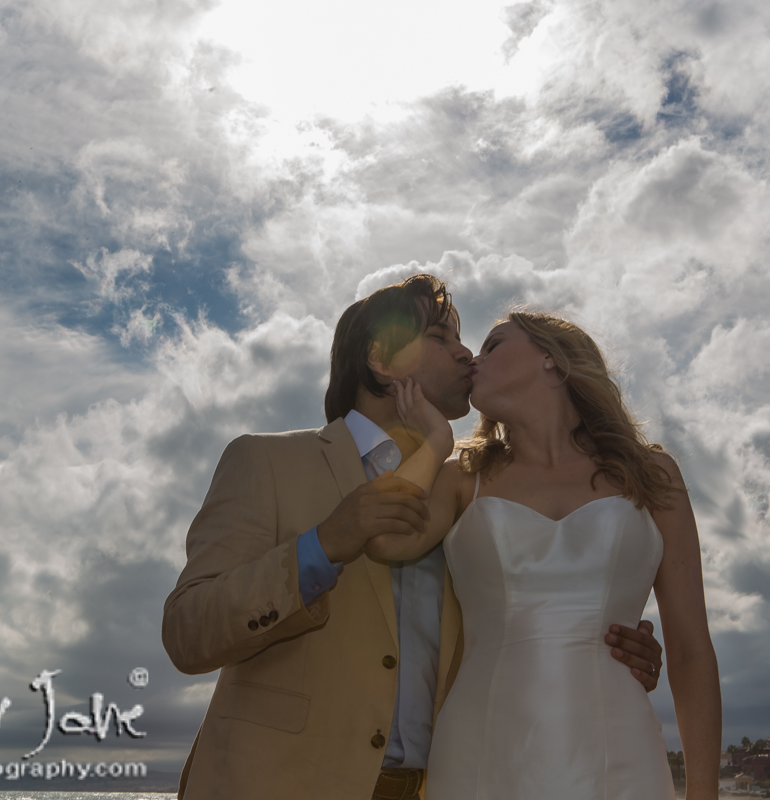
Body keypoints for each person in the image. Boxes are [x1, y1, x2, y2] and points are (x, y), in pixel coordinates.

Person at [161, 275, 665, 800]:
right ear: (382, 359)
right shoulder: (266, 462)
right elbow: (188, 632)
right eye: (441, 337)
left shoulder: (470, 491)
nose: (465, 352)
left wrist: (604, 648)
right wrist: (324, 544)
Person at [367, 310, 721, 800]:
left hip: (622, 754)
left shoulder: (652, 474)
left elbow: (690, 651)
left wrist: (703, 794)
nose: (473, 357)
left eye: (493, 345)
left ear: (551, 360)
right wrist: (435, 442)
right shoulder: (460, 477)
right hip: (480, 751)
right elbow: (384, 539)